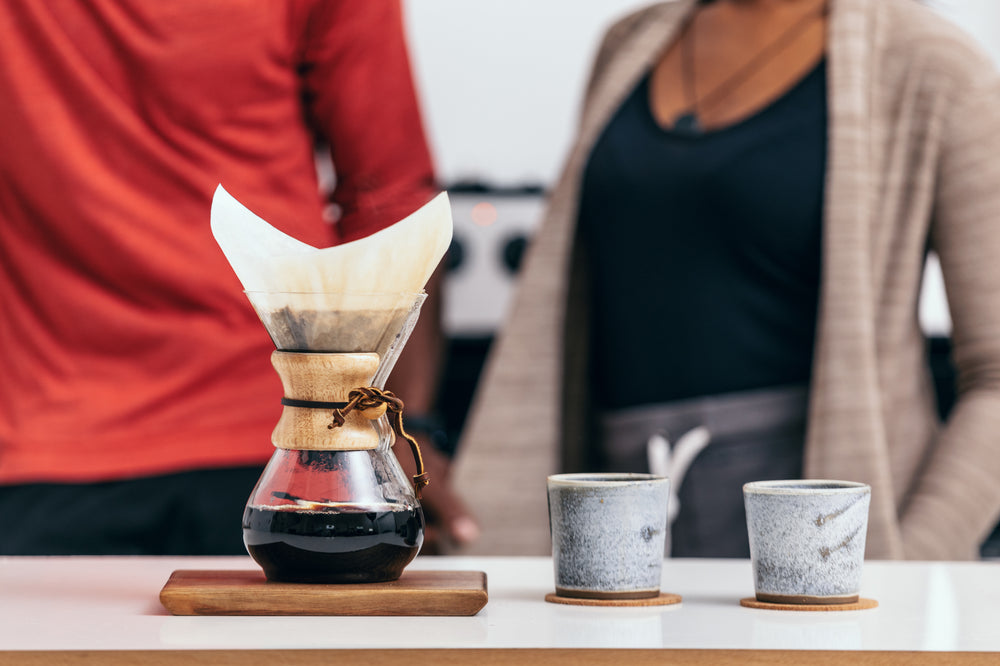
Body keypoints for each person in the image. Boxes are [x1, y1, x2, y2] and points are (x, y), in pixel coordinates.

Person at [453, 0, 1000, 559]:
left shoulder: (937, 68)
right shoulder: (629, 43)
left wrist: (915, 561)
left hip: (818, 531)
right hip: (617, 515)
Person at [0, 0, 477, 554]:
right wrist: (401, 426)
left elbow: (390, 205)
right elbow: (390, 204)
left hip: (66, 442)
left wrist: (394, 425)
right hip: (290, 434)